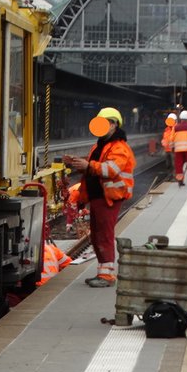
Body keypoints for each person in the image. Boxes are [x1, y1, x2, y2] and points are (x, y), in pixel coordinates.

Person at [64, 107, 136, 288]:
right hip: (98, 196)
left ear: (113, 124)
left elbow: (110, 169)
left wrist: (88, 165)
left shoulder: (119, 147)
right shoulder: (100, 146)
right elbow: (95, 166)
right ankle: (102, 273)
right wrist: (78, 163)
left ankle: (107, 276)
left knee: (104, 234)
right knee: (97, 235)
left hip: (109, 197)